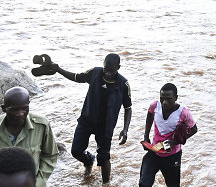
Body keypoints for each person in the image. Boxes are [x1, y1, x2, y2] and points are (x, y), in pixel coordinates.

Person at [54, 53, 132, 184]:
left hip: (105, 126)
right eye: (106, 69)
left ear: (118, 67)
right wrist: (58, 69)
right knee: (76, 151)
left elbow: (128, 108)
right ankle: (89, 161)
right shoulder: (94, 73)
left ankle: (106, 183)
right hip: (86, 120)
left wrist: (125, 129)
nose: (107, 73)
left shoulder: (123, 84)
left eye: (111, 71)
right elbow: (76, 77)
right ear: (103, 64)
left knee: (104, 157)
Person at [139, 83, 197, 187]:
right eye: (162, 98)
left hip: (172, 156)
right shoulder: (155, 105)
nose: (164, 102)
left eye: (169, 99)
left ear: (176, 98)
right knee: (143, 184)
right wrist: (146, 137)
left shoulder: (183, 112)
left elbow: (194, 129)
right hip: (154, 151)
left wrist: (173, 142)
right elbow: (149, 116)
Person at [0, 87, 58, 187]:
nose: (20, 113)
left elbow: (50, 155)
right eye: (15, 110)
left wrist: (38, 183)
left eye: (25, 108)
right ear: (4, 108)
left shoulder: (41, 126)